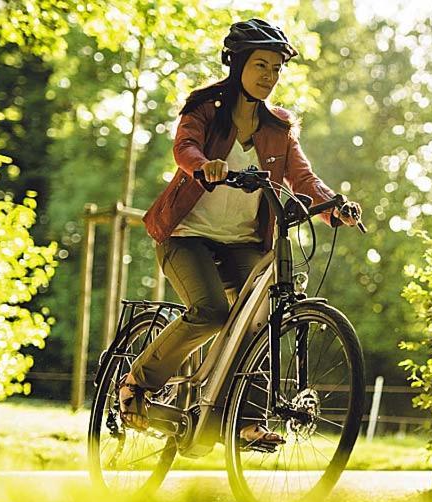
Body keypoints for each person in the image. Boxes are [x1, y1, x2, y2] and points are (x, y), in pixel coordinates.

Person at [119, 18, 362, 446]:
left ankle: (241, 419)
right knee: (211, 310)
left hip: (242, 244)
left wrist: (334, 207)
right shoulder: (205, 110)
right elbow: (184, 146)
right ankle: (138, 381)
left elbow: (304, 179)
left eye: (275, 68)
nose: (269, 76)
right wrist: (203, 165)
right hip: (186, 236)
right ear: (237, 65)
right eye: (260, 65)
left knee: (262, 316)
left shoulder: (279, 128)